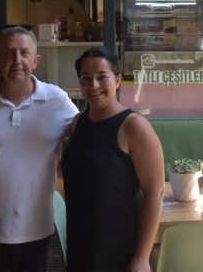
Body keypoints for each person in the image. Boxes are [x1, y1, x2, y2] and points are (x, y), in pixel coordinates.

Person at [0, 26, 78, 272]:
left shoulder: (57, 100)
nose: (17, 60)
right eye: (9, 53)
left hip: (36, 228)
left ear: (36, 61)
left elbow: (88, 133)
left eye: (24, 53)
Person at [62, 46, 164, 272]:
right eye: (86, 78)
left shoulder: (134, 126)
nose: (93, 85)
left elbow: (155, 193)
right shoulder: (78, 123)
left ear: (117, 80)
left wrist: (141, 258)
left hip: (118, 245)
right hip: (80, 241)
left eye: (102, 77)